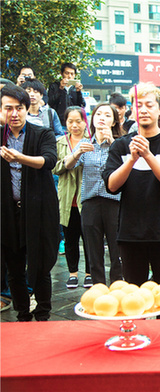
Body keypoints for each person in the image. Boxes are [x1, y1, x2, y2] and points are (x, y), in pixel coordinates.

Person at [103, 83, 160, 319]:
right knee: (132, 299)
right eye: (138, 105)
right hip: (130, 232)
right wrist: (130, 160)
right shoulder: (121, 145)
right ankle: (135, 339)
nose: (143, 109)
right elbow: (111, 185)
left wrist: (149, 155)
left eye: (149, 105)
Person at [1, 84, 59, 321]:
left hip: (38, 210)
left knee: (41, 264)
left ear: (27, 109)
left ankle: (43, 312)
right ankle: (22, 312)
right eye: (8, 108)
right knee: (14, 267)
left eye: (19, 108)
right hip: (7, 211)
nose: (14, 113)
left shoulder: (42, 133)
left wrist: (20, 157)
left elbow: (49, 160)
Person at [64, 103, 123, 286]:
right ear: (93, 119)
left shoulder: (121, 143)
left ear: (114, 121)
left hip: (114, 201)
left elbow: (129, 164)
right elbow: (67, 165)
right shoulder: (85, 143)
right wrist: (77, 153)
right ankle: (98, 286)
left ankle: (117, 284)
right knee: (93, 248)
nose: (102, 118)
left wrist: (112, 143)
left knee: (117, 247)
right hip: (90, 201)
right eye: (98, 114)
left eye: (107, 115)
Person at [53, 107, 92, 288]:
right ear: (65, 123)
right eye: (70, 121)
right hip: (68, 198)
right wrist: (73, 156)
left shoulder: (92, 141)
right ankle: (73, 273)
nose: (75, 125)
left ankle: (90, 273)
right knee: (70, 238)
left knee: (90, 238)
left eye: (78, 121)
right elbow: (55, 168)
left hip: (87, 198)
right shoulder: (60, 142)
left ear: (85, 121)